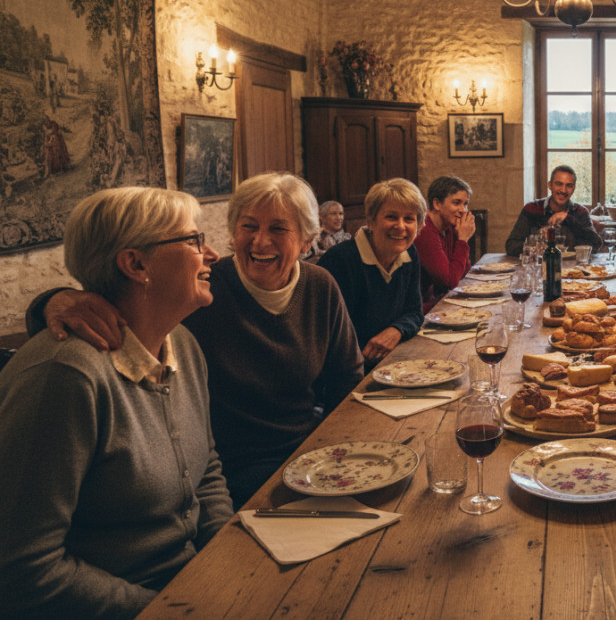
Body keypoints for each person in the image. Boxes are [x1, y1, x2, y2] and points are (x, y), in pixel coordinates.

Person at [31, 173, 364, 508]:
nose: (259, 242)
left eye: (278, 229)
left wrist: (333, 452)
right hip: (235, 471)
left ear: (308, 241)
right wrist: (53, 299)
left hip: (300, 454)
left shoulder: (316, 286)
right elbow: (115, 306)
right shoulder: (196, 293)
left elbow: (346, 377)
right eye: (248, 226)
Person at [0, 187, 232, 618]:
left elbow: (207, 471)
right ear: (136, 264)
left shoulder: (179, 341)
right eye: (193, 241)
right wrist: (171, 610)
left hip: (194, 588)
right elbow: (24, 568)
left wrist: (225, 563)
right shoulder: (65, 376)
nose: (211, 253)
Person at [319, 178, 425, 365]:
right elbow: (331, 336)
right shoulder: (340, 261)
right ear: (371, 220)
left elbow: (414, 312)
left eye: (409, 218)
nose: (400, 226)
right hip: (352, 371)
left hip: (394, 360)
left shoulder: (409, 253)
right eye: (391, 217)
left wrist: (396, 330)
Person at [504, 165, 602, 256]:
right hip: (539, 267)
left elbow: (595, 245)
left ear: (574, 188)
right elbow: (511, 245)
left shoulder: (580, 211)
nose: (563, 190)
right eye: (559, 184)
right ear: (550, 185)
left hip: (572, 269)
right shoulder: (531, 208)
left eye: (569, 185)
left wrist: (569, 219)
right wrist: (537, 249)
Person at [413, 175, 475, 313]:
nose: (463, 210)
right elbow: (450, 282)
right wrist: (463, 240)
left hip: (440, 302)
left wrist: (462, 237)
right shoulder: (425, 230)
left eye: (465, 204)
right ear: (436, 204)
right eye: (456, 203)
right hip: (422, 310)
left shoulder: (449, 227)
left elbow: (463, 272)